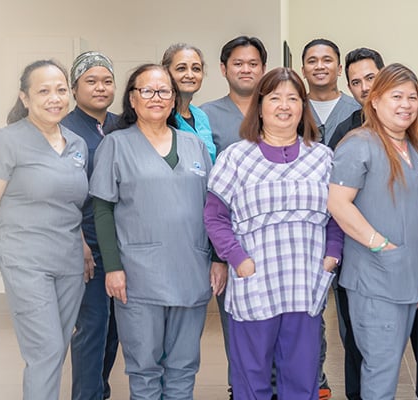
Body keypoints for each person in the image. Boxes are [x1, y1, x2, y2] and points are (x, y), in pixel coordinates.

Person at [204, 67, 343, 400]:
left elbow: (338, 216)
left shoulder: (323, 158)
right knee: (251, 380)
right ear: (260, 105)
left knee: (302, 378)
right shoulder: (235, 157)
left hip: (305, 284)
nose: (284, 106)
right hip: (254, 283)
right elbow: (215, 216)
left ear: (303, 105)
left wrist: (331, 257)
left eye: (293, 98)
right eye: (275, 98)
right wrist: (239, 261)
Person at [91, 64, 213, 400]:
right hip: (138, 275)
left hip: (190, 271)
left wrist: (216, 259)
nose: (156, 97)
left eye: (164, 91)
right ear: (132, 98)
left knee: (184, 367)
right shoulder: (116, 145)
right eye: (146, 90)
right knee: (144, 370)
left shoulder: (194, 146)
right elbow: (102, 209)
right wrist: (113, 267)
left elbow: (213, 209)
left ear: (174, 100)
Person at [0, 59, 94, 400]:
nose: (54, 98)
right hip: (27, 263)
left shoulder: (76, 145)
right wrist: (22, 243)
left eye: (60, 90)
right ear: (25, 98)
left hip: (69, 264)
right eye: (43, 91)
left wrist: (83, 246)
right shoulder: (6, 141)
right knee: (45, 350)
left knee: (55, 352)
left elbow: (73, 205)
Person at [322, 48, 418, 400]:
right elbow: (336, 203)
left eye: (412, 97)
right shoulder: (359, 144)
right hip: (375, 278)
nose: (405, 104)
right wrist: (380, 246)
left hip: (409, 279)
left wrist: (410, 269)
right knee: (380, 370)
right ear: (374, 101)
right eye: (396, 96)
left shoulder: (415, 147)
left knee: (386, 367)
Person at [198, 35, 267, 399]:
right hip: (230, 239)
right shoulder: (205, 116)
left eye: (253, 63)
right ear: (224, 69)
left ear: (263, 69)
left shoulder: (278, 107)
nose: (246, 69)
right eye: (238, 63)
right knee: (237, 322)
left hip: (276, 237)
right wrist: (218, 254)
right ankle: (240, 387)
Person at [62, 51, 123, 400]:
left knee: (114, 330)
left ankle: (100, 391)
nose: (100, 87)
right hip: (86, 244)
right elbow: (62, 194)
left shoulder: (121, 125)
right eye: (91, 81)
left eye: (107, 80)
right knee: (92, 328)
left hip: (120, 243)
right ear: (74, 88)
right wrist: (80, 243)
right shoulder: (65, 129)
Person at [165, 43, 219, 160]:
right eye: (181, 68)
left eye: (196, 69)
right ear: (166, 73)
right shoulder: (161, 115)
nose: (190, 75)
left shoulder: (201, 116)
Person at [301, 39, 361, 145]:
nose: (319, 66)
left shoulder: (357, 110)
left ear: (339, 69)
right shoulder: (295, 109)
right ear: (303, 71)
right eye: (312, 61)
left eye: (327, 60)